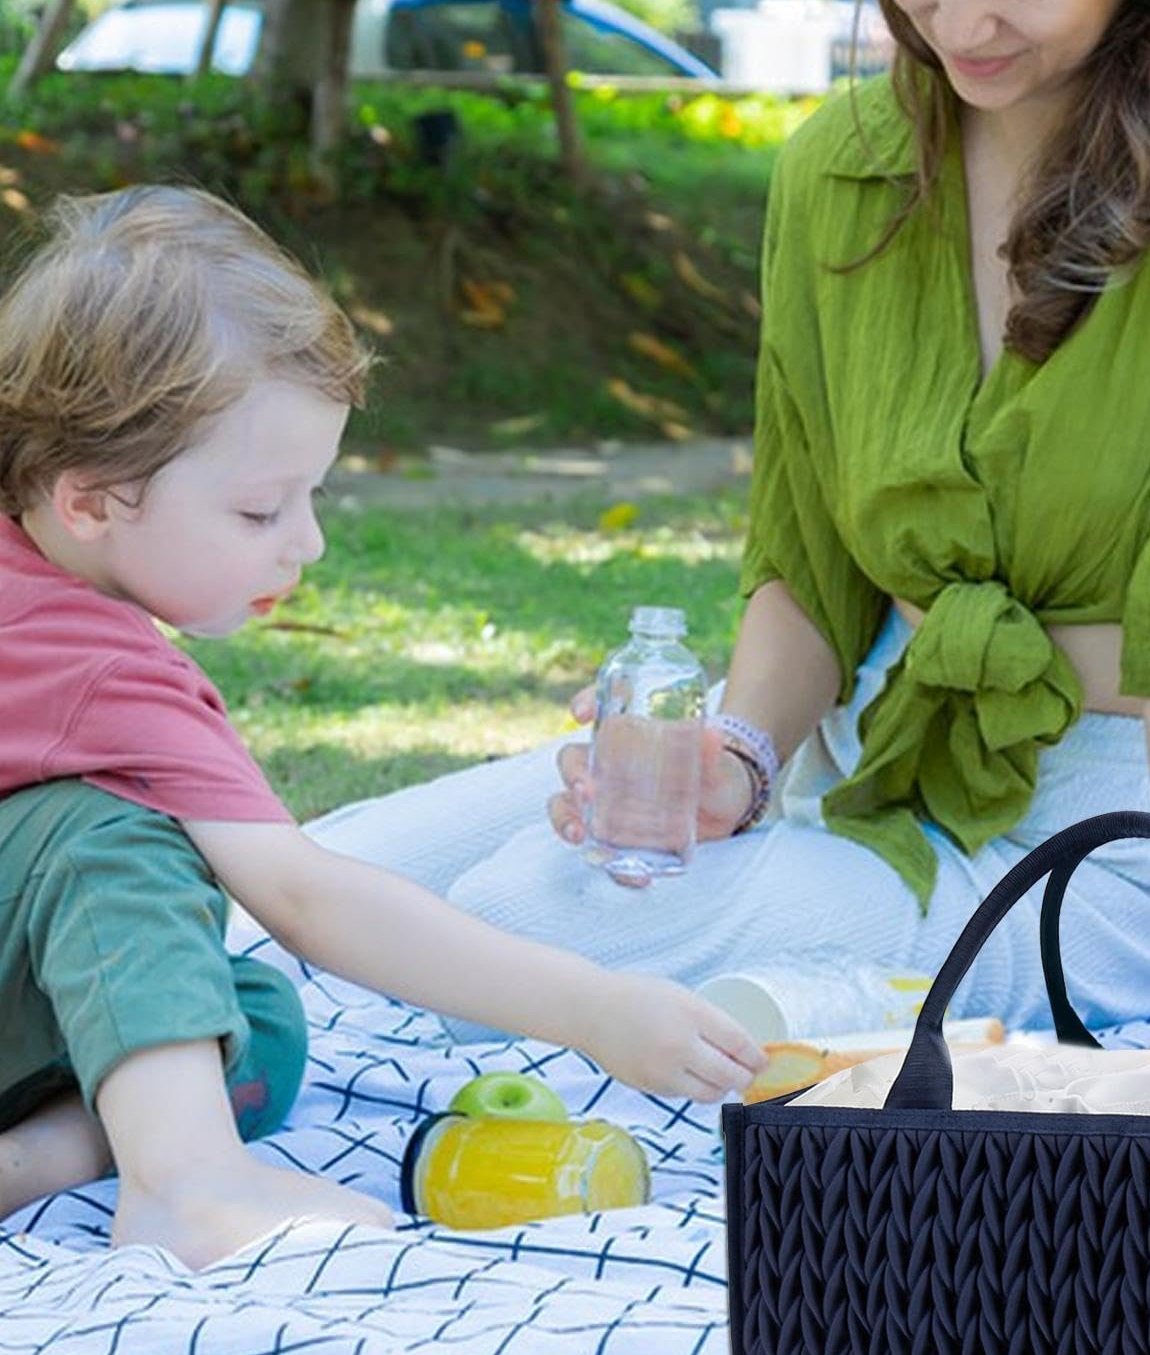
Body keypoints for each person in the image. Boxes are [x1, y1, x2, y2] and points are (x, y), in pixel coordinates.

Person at [255, 0, 1150, 1048]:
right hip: (856, 754)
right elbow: (810, 560)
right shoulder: (839, 164)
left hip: (1112, 847)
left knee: (509, 913)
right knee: (307, 876)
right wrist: (738, 764)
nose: (960, 18)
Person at [0, 187, 765, 1270]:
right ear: (89, 499)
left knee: (250, 1012)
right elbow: (311, 898)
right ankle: (186, 1184)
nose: (302, 544)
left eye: (311, 496)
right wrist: (592, 1006)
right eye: (260, 510)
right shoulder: (105, 672)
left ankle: (36, 1159)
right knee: (113, 839)